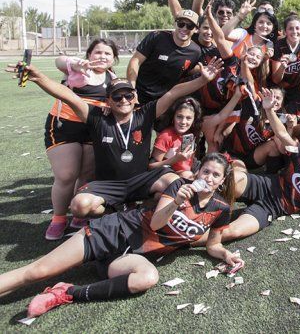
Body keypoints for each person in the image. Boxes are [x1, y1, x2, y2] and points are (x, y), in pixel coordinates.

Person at [0, 153, 242, 318]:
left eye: (215, 175)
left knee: (147, 278)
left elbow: (213, 245)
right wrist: (176, 202)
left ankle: (67, 292)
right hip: (114, 231)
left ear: (222, 181)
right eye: (205, 171)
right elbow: (157, 223)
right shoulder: (179, 187)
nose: (208, 178)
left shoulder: (221, 209)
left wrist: (226, 255)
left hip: (133, 255)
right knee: (37, 272)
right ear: (197, 172)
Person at [13, 59, 224, 218]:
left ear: (135, 98)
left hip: (141, 180)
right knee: (79, 207)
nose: (124, 100)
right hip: (108, 185)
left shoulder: (145, 114)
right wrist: (38, 77)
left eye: (128, 95)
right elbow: (68, 96)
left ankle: (151, 211)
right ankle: (113, 210)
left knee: (175, 182)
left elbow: (173, 93)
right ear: (108, 101)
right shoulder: (97, 117)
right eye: (117, 96)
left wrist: (202, 80)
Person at [198, 89, 300, 243]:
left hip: (274, 207)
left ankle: (189, 239)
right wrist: (269, 110)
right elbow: (282, 134)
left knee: (234, 231)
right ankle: (191, 206)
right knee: (233, 179)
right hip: (266, 185)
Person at [42, 39, 119, 239]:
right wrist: (74, 64)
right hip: (64, 126)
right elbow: (59, 61)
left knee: (86, 175)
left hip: (93, 130)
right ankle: (58, 218)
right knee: (67, 175)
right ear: (89, 55)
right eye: (98, 52)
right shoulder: (78, 69)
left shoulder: (112, 79)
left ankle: (78, 216)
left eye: (107, 54)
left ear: (113, 59)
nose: (102, 57)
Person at [126, 10, 203, 105]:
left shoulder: (195, 52)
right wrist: (131, 90)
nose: (184, 28)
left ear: (196, 29)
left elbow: (188, 71)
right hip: (139, 95)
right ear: (175, 24)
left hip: (164, 101)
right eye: (181, 24)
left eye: (190, 26)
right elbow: (136, 61)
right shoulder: (156, 37)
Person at [150, 97, 203, 179]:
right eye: (179, 117)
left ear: (194, 120)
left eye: (188, 118)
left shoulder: (190, 135)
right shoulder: (166, 136)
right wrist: (175, 159)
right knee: (187, 175)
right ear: (173, 117)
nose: (183, 122)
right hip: (168, 176)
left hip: (188, 172)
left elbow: (190, 162)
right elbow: (151, 166)